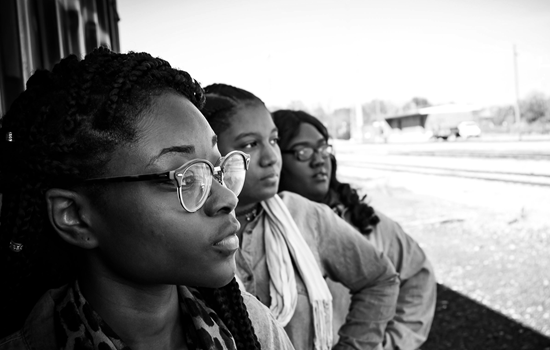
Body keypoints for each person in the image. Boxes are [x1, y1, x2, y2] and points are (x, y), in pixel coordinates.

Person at [0, 48, 293, 350]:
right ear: (74, 215)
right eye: (186, 178)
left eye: (216, 169)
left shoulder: (252, 326)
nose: (227, 198)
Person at [201, 83, 400, 350]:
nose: (271, 157)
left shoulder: (305, 216)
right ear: (211, 153)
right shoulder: (189, 230)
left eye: (273, 140)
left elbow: (381, 279)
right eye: (251, 144)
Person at [272, 109, 437, 350]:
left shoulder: (365, 223)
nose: (319, 160)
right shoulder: (262, 232)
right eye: (303, 152)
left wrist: (389, 344)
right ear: (276, 159)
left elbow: (418, 277)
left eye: (323, 148)